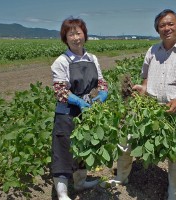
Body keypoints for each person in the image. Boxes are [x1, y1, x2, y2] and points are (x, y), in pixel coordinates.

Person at [101, 9, 176, 200]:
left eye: (170, 24)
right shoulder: (152, 51)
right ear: (157, 29)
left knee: (174, 153)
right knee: (126, 142)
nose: (166, 28)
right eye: (162, 25)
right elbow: (147, 78)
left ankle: (172, 191)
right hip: (148, 109)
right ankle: (121, 178)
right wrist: (143, 88)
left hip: (174, 109)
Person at [50, 17, 108, 200]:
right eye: (71, 34)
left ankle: (80, 183)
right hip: (67, 111)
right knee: (63, 149)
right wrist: (78, 101)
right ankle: (62, 193)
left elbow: (101, 81)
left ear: (85, 35)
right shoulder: (61, 61)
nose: (76, 37)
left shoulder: (92, 58)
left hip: (87, 111)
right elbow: (59, 91)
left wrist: (104, 92)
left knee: (84, 146)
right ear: (65, 38)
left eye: (79, 33)